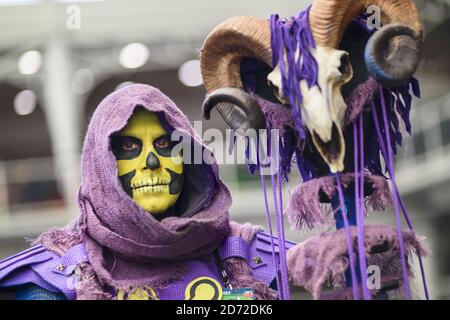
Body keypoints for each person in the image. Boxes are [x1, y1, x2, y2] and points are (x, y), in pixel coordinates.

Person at [0, 84, 292, 300]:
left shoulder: (254, 259)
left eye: (164, 145)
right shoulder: (50, 280)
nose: (151, 162)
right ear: (100, 165)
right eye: (129, 147)